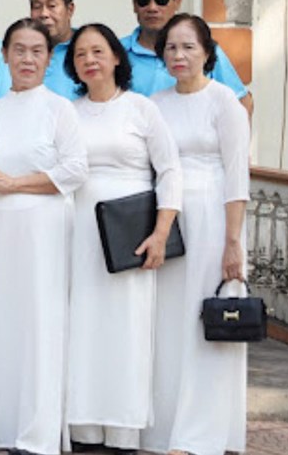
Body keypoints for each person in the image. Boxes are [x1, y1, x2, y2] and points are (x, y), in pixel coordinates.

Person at [63, 23, 182, 453]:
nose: (89, 60)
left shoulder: (141, 109)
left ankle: (123, 429)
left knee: (127, 329)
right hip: (79, 231)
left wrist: (161, 232)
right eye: (80, 54)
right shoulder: (68, 112)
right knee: (82, 326)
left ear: (116, 57)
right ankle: (84, 428)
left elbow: (169, 170)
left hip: (131, 233)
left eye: (98, 51)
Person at [142, 14, 250, 455]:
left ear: (207, 52)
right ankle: (164, 427)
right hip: (167, 218)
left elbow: (237, 175)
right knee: (168, 321)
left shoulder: (225, 102)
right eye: (171, 47)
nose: (179, 55)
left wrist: (232, 241)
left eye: (188, 46)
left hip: (212, 219)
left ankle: (202, 431)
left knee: (207, 317)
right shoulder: (156, 104)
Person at [0, 18, 88, 455]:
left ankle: (36, 433)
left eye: (37, 51)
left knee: (40, 325)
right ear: (4, 55)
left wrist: (15, 183)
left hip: (44, 229)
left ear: (49, 58)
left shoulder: (60, 110)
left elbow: (75, 170)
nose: (27, 59)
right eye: (19, 50)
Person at [119, 0, 252, 114]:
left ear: (177, 2)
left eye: (161, 0)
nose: (152, 7)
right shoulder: (117, 52)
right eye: (144, 0)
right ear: (134, 5)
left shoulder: (203, 49)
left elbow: (242, 102)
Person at [28, 0, 78, 99]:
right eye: (37, 6)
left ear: (70, 10)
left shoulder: (85, 49)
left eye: (52, 6)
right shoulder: (22, 52)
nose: (44, 14)